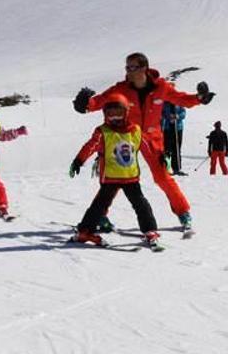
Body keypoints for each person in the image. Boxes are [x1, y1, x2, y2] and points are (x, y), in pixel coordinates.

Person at [75, 52, 213, 230]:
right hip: (127, 136)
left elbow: (181, 99)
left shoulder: (161, 87)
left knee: (163, 177)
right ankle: (101, 215)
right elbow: (101, 100)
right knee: (116, 177)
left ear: (144, 68)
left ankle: (183, 212)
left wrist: (199, 98)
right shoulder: (121, 88)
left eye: (133, 67)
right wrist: (85, 105)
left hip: (152, 138)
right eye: (127, 67)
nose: (129, 71)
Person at [68, 94, 160, 247]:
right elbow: (90, 146)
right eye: (111, 114)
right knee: (99, 206)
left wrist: (160, 156)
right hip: (110, 177)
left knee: (141, 205)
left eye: (119, 113)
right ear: (105, 114)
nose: (115, 117)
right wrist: (79, 160)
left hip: (131, 177)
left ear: (126, 112)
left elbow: (147, 147)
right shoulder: (103, 131)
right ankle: (85, 231)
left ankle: (150, 230)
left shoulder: (135, 130)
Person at [161, 102, 187, 175]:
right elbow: (161, 113)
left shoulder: (179, 103)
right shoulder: (165, 104)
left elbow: (183, 113)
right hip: (167, 128)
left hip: (178, 128)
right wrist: (168, 117)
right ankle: (166, 168)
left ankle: (176, 168)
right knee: (167, 149)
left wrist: (177, 116)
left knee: (177, 148)